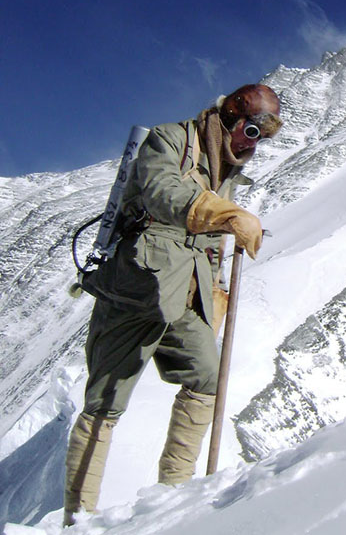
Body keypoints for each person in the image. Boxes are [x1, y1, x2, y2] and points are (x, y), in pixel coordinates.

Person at [63, 84, 283, 525]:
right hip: (139, 286)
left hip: (187, 295)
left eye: (261, 137)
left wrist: (216, 294)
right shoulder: (170, 140)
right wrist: (223, 214)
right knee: (106, 400)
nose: (251, 143)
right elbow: (162, 193)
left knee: (207, 377)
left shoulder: (227, 173)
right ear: (229, 116)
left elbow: (208, 246)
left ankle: (173, 503)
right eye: (251, 130)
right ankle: (77, 518)